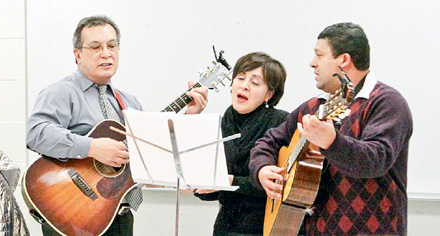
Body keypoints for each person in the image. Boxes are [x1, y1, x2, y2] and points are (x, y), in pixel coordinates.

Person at [25, 15, 208, 235]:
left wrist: (189, 116)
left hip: (117, 217)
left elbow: (151, 156)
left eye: (112, 46)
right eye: (96, 47)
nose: (106, 53)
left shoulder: (130, 103)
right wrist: (92, 147)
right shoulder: (61, 92)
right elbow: (36, 133)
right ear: (78, 55)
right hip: (71, 212)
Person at [250, 22, 412, 235]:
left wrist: (332, 142)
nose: (312, 63)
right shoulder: (314, 106)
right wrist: (261, 168)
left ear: (343, 60)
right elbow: (268, 142)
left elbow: (377, 160)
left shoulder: (387, 103)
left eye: (319, 55)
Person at [187, 52, 295, 235]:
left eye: (255, 83)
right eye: (240, 78)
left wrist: (230, 181)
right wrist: (199, 185)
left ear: (269, 94)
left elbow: (284, 184)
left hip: (267, 226)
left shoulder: (281, 123)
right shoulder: (221, 124)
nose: (244, 86)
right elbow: (212, 192)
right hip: (225, 226)